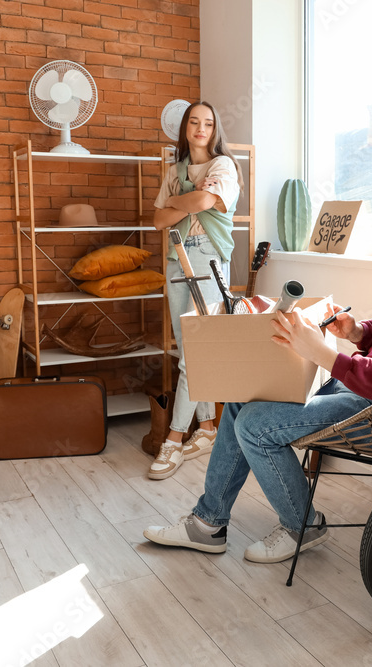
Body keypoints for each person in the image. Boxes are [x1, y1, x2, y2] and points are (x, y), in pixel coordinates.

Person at [144, 158, 372, 562]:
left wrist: (322, 353)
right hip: (362, 388)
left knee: (255, 425)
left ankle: (302, 525)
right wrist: (357, 331)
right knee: (242, 396)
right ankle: (208, 523)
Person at [148, 101, 243, 480]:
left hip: (206, 260)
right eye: (194, 122)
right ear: (185, 128)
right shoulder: (174, 171)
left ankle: (172, 440)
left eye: (207, 123)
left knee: (195, 352)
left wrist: (177, 202)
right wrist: (181, 202)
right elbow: (158, 221)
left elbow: (205, 201)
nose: (201, 128)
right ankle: (206, 429)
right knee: (186, 348)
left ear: (215, 129)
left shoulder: (223, 167)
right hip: (176, 259)